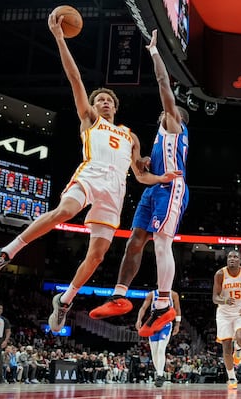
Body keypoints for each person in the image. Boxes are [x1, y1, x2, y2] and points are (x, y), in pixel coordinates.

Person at [0, 12, 179, 333]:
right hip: (90, 176)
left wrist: (160, 178)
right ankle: (6, 253)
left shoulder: (130, 136)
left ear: (115, 107)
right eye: (99, 100)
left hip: (115, 193)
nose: (103, 103)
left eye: (107, 100)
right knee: (64, 211)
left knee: (97, 256)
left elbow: (140, 176)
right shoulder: (90, 120)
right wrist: (59, 39)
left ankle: (65, 300)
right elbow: (75, 78)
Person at [89, 29, 190, 338]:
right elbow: (143, 176)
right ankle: (119, 295)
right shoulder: (160, 141)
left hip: (172, 189)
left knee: (161, 242)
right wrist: (147, 167)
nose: (162, 110)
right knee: (135, 239)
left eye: (167, 109)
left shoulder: (173, 125)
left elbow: (163, 85)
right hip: (155, 188)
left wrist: (154, 53)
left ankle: (162, 303)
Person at [212, 250, 241, 390]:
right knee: (226, 347)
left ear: (240, 260)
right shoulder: (220, 274)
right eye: (230, 257)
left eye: (235, 257)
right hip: (224, 314)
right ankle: (232, 378)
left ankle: (238, 349)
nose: (232, 259)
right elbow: (215, 298)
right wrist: (224, 299)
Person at [136, 289, 181, 387]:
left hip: (166, 325)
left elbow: (177, 309)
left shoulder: (173, 294)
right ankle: (160, 374)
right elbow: (143, 308)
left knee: (161, 349)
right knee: (154, 352)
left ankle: (160, 375)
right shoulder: (151, 294)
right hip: (153, 325)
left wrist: (177, 324)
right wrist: (139, 320)